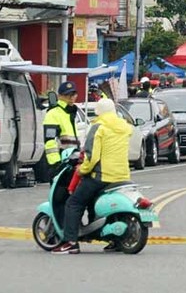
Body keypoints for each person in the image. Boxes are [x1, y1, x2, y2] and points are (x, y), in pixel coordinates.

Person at [56, 97, 131, 253]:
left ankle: (70, 242)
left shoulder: (98, 127)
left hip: (102, 175)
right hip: (122, 176)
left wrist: (81, 170)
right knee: (97, 203)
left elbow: (92, 156)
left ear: (99, 112)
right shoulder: (123, 126)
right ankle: (115, 240)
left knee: (74, 203)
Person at [39, 81, 81, 184]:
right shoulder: (54, 113)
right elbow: (50, 141)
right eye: (68, 95)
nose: (71, 98)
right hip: (61, 164)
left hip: (73, 163)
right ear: (60, 96)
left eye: (73, 94)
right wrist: (56, 164)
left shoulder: (70, 112)